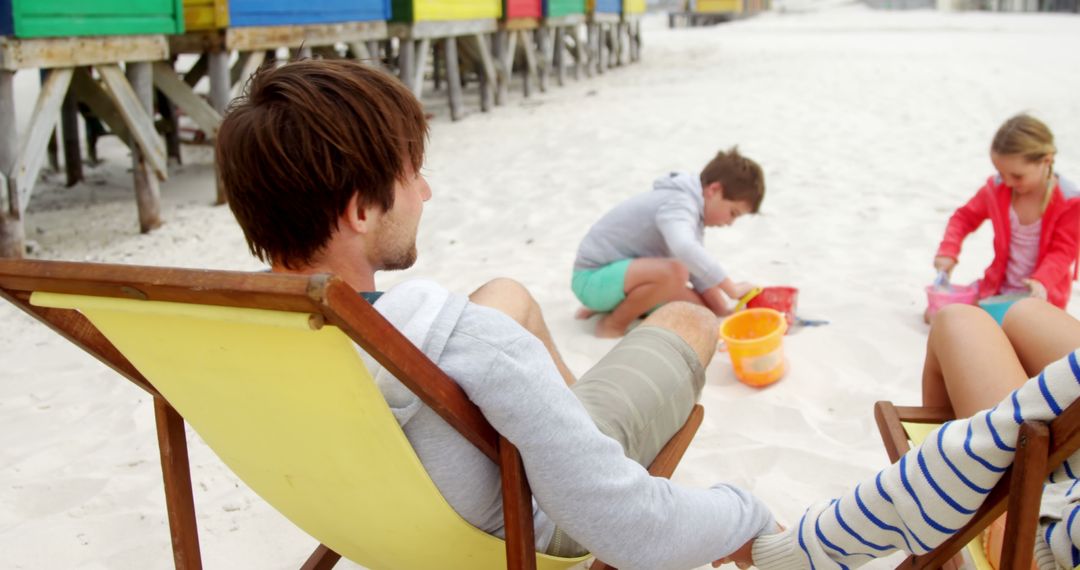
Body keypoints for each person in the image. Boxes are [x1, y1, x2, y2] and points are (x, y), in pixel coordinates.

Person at [215, 59, 779, 569]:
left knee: (507, 290)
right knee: (690, 319)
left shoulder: (221, 332)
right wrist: (745, 515)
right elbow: (629, 528)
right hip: (534, 518)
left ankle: (564, 422)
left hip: (366, 510)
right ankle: (579, 432)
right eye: (413, 174)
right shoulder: (467, 342)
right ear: (361, 209)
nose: (426, 192)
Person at [726, 299, 1080, 570]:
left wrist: (791, 550)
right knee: (1027, 313)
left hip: (1036, 534)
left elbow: (973, 453)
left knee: (958, 320)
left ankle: (953, 540)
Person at [572, 148, 766, 337]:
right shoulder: (679, 203)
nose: (730, 223)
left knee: (699, 311)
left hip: (620, 279)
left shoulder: (693, 214)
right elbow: (684, 249)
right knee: (675, 272)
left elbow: (698, 272)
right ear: (713, 190)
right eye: (732, 213)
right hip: (592, 279)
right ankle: (612, 324)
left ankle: (613, 307)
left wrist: (722, 311)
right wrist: (732, 288)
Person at [934, 113, 1080, 311]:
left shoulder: (1069, 201)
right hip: (995, 290)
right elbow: (964, 218)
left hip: (1040, 300)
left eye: (1017, 176)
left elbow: (1062, 252)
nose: (1008, 182)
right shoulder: (997, 189)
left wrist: (1042, 281)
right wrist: (948, 251)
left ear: (1046, 161)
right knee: (938, 313)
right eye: (1001, 173)